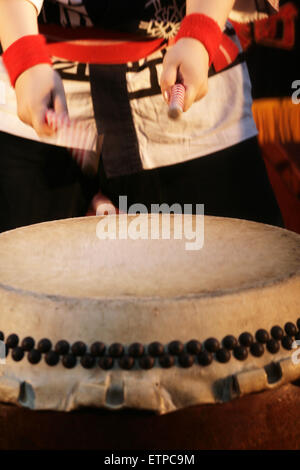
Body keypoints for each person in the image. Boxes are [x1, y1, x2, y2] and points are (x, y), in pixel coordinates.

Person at [0, 0, 283, 227]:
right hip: (35, 65)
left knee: (240, 276)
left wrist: (200, 34)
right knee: (16, 281)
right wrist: (25, 60)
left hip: (187, 60)